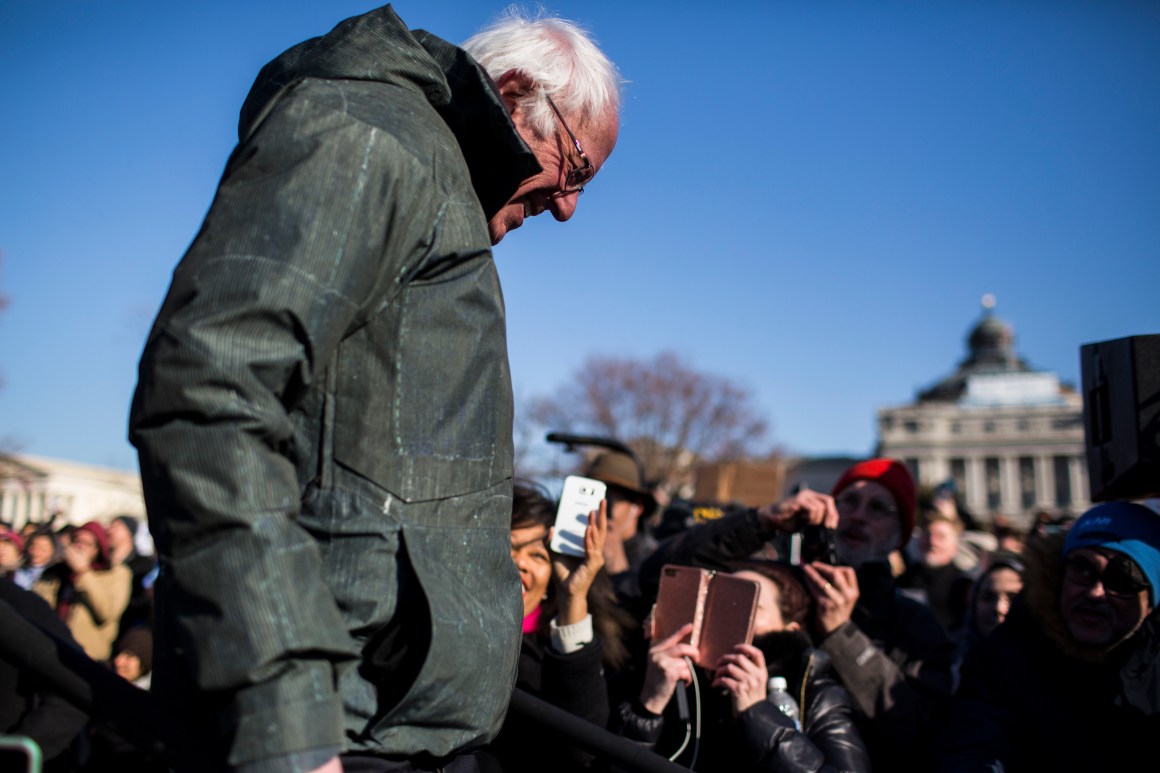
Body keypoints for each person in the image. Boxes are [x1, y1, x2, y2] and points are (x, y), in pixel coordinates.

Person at [127, 5, 622, 772]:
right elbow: (211, 386)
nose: (568, 206)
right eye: (577, 167)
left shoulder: (429, 173)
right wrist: (287, 721)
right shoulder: (371, 135)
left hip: (390, 731)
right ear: (517, 89)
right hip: (334, 736)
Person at [638, 458, 955, 773]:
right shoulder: (779, 583)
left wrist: (842, 635)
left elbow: (915, 730)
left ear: (901, 532)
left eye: (878, 508)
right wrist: (761, 521)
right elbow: (658, 575)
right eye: (849, 501)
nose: (858, 516)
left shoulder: (916, 623)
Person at [933, 501, 1160, 771]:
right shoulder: (1008, 656)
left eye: (1123, 579)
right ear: (1058, 576)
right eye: (1082, 569)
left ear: (1150, 604)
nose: (1095, 593)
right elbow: (975, 742)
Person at [615, 559, 870, 772]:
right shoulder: (679, 678)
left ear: (789, 628)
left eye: (748, 606)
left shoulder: (813, 688)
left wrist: (758, 715)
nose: (729, 618)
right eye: (723, 604)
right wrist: (649, 704)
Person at [479, 480, 630, 773]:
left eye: (537, 555)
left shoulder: (550, 655)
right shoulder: (446, 626)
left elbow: (582, 750)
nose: (519, 562)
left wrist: (572, 596)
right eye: (508, 546)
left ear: (549, 583)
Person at [36, 521, 133, 662]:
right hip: (50, 649)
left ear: (97, 549)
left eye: (87, 543)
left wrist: (83, 573)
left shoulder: (116, 573)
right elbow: (39, 605)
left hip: (87, 656)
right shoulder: (57, 572)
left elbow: (106, 613)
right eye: (77, 541)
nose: (79, 547)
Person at [581, 451, 659, 606]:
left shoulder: (653, 561)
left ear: (637, 508)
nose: (598, 510)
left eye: (608, 502)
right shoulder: (576, 547)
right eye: (592, 498)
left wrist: (617, 567)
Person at [897, 509, 976, 634]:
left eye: (941, 537)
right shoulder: (903, 581)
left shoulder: (964, 586)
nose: (932, 542)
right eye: (927, 535)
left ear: (954, 545)